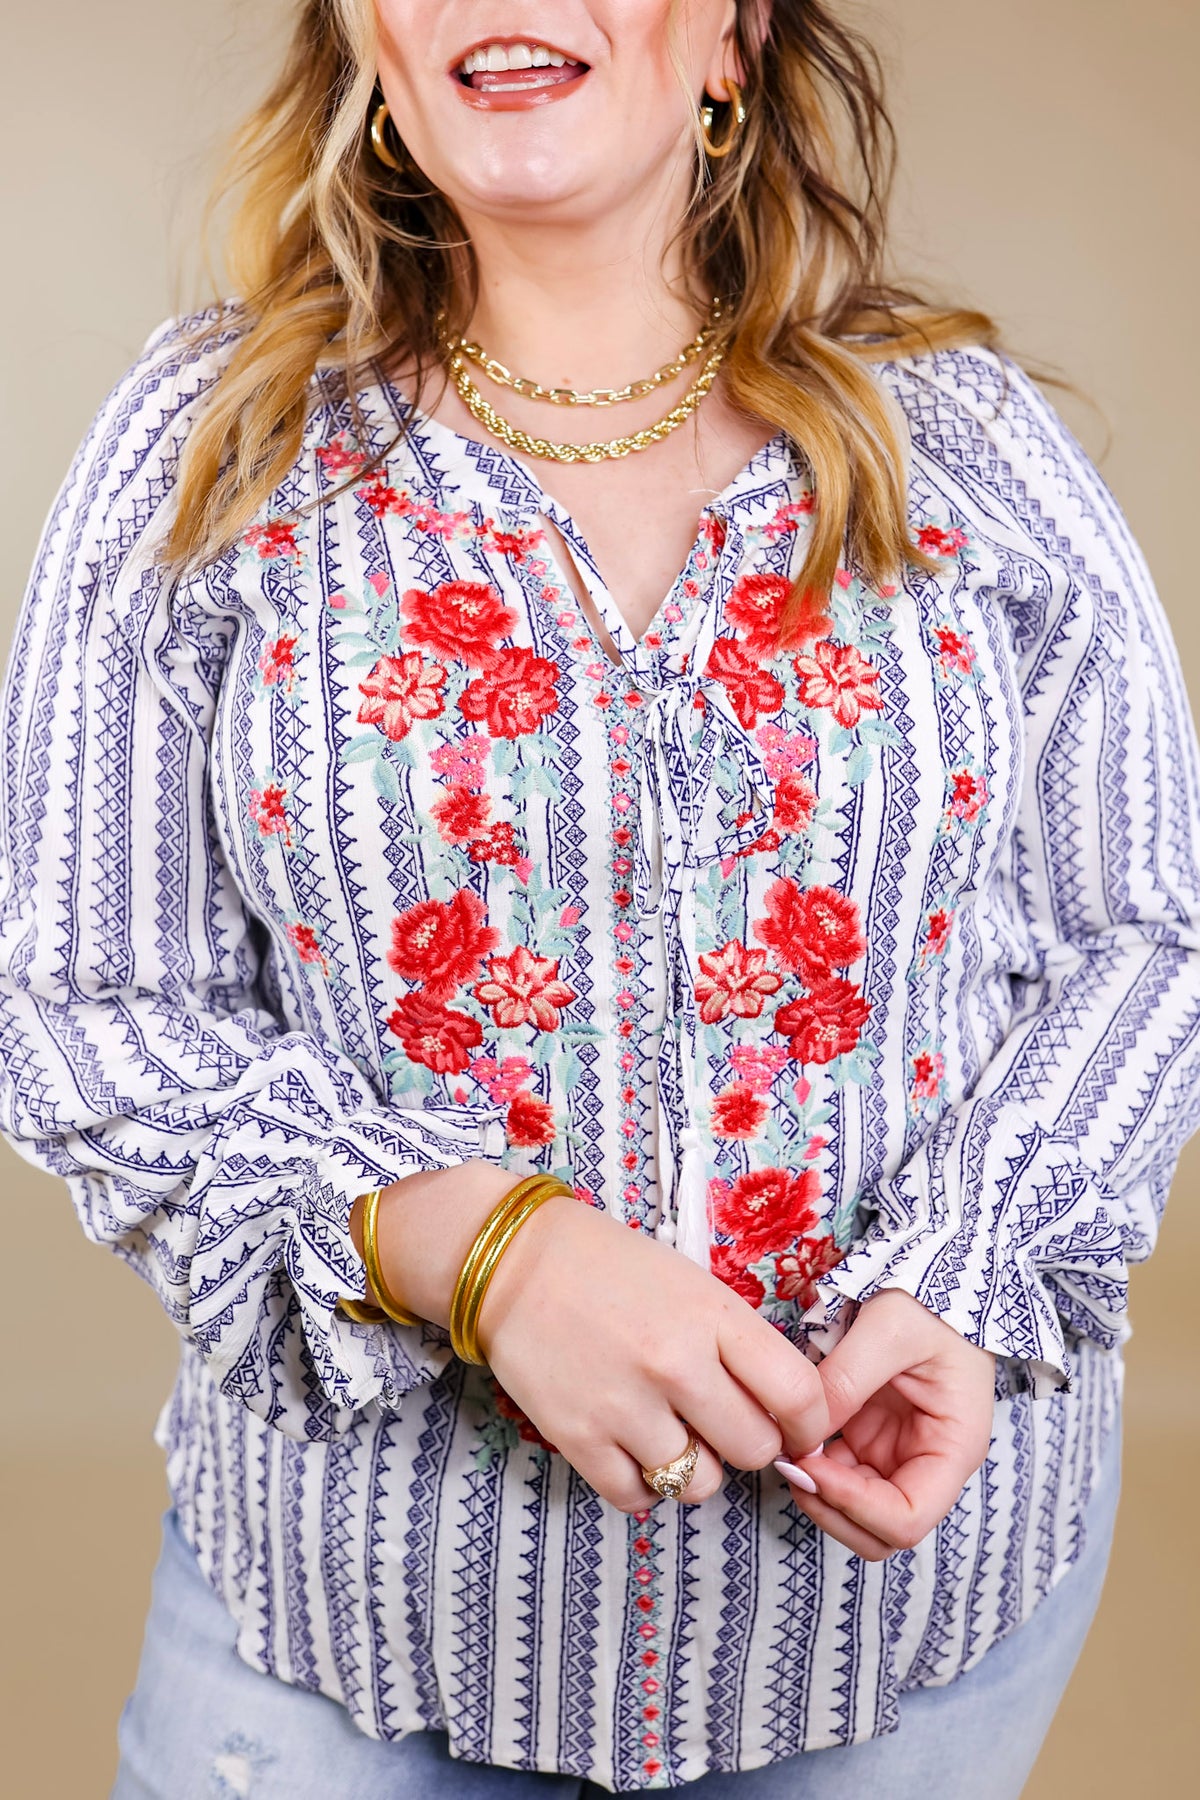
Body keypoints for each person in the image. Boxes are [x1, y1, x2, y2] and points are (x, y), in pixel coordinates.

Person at [2, 1, 1197, 1794]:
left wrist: (971, 1270)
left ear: (734, 37)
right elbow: (81, 1000)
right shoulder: (210, 450)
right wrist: (482, 1247)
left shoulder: (965, 442)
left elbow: (1147, 930)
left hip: (899, 1636)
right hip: (354, 1631)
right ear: (369, 48)